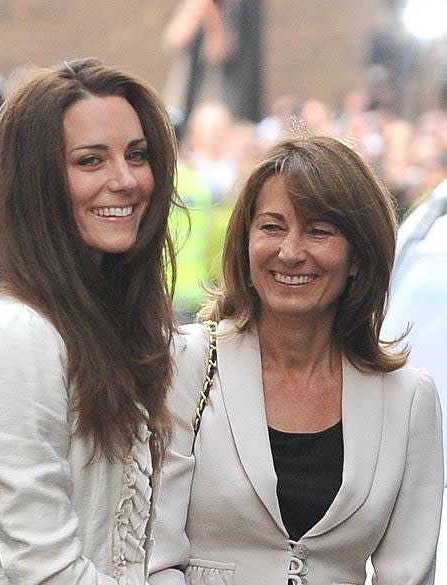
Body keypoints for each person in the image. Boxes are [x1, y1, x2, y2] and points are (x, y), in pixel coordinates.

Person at [0, 57, 178, 584]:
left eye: (137, 155)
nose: (124, 180)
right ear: (36, 183)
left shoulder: (99, 319)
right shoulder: (15, 332)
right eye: (90, 161)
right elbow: (44, 567)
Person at [149, 136, 443, 584]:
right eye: (271, 227)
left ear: (358, 258)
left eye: (319, 231)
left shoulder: (407, 398)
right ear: (245, 242)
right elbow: (153, 554)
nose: (290, 251)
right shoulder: (184, 364)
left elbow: (408, 574)